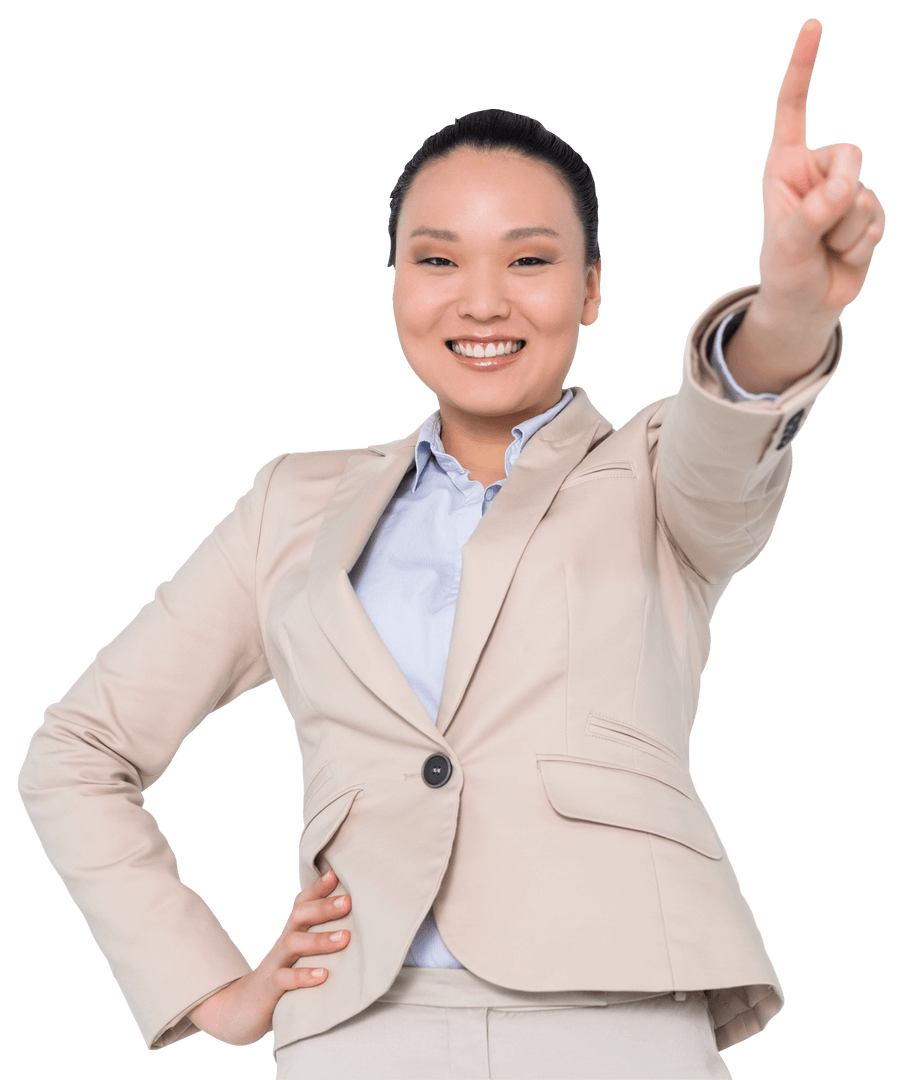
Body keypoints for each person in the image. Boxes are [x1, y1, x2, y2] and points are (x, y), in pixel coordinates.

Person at [16, 17, 885, 1080]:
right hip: (358, 1031)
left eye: (530, 260)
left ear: (592, 289)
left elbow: (732, 420)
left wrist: (792, 305)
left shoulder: (652, 475)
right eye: (438, 261)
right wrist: (212, 989)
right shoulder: (294, 502)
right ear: (393, 284)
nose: (482, 301)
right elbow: (75, 756)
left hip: (616, 1016)